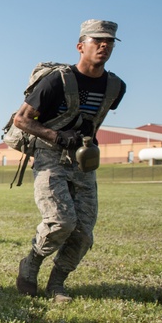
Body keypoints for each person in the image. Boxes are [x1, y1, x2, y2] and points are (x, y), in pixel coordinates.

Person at [12, 19, 127, 303]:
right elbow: (21, 119)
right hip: (50, 157)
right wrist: (57, 136)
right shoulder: (57, 81)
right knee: (61, 221)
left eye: (109, 42)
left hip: (83, 162)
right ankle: (31, 264)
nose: (104, 46)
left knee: (84, 233)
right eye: (97, 41)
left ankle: (57, 283)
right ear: (80, 46)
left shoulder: (115, 87)